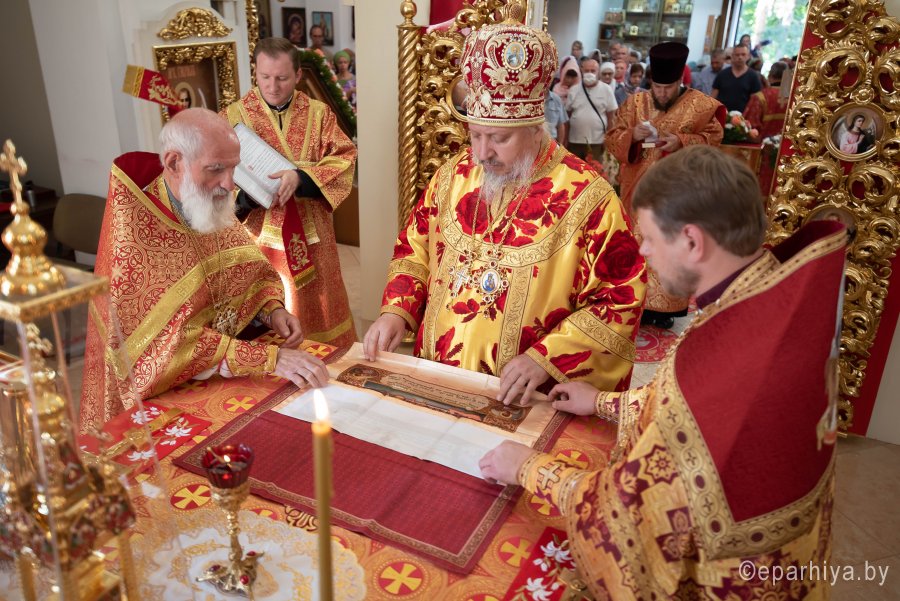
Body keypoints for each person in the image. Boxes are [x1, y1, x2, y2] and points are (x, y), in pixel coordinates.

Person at [480, 145, 845, 600]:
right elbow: (690, 417)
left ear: (692, 241)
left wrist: (529, 468)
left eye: (650, 237)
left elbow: (633, 519)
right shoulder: (767, 303)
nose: (643, 251)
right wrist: (602, 401)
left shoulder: (727, 362)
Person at [364, 21, 646, 406]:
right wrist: (396, 311)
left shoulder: (588, 197)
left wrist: (547, 358)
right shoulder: (453, 176)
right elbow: (414, 248)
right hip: (435, 376)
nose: (482, 153)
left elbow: (621, 296)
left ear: (535, 129)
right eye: (475, 135)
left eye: (499, 138)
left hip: (522, 398)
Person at [80, 109, 330, 431]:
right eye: (216, 169)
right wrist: (270, 359)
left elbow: (249, 273)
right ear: (174, 163)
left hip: (223, 375)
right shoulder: (134, 239)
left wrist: (270, 310)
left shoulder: (208, 203)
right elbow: (157, 354)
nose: (229, 184)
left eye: (234, 168)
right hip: (159, 396)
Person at [223, 38, 357, 347]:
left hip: (314, 236)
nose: (272, 86)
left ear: (297, 75)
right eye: (265, 77)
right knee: (271, 305)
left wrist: (302, 178)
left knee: (320, 306)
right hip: (260, 237)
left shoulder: (319, 114)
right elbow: (214, 175)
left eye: (282, 78)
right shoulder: (232, 118)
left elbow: (345, 157)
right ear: (256, 72)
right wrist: (244, 198)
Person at [606, 41, 725, 328]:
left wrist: (681, 141)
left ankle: (665, 309)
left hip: (678, 195)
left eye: (668, 87)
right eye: (657, 87)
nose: (661, 93)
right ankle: (636, 302)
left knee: (670, 247)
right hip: (639, 193)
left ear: (680, 80)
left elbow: (714, 140)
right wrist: (632, 136)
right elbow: (612, 138)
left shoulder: (701, 106)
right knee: (638, 247)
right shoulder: (635, 103)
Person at [744, 61, 789, 195]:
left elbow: (749, 128)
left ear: (770, 76)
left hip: (762, 157)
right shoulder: (795, 99)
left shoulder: (760, 97)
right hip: (787, 157)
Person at [565, 59, 618, 159]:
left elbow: (611, 117)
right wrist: (565, 139)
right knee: (573, 168)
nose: (589, 73)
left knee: (594, 167)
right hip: (574, 141)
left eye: (593, 71)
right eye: (586, 70)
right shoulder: (573, 90)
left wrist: (608, 139)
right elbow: (567, 116)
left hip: (597, 142)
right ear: (581, 71)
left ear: (598, 72)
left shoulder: (606, 89)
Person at [712, 44, 761, 112]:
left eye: (743, 54)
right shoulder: (722, 74)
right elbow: (713, 97)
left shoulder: (753, 76)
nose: (740, 57)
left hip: (742, 116)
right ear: (732, 56)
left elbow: (754, 102)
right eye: (737, 55)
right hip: (721, 114)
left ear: (748, 56)